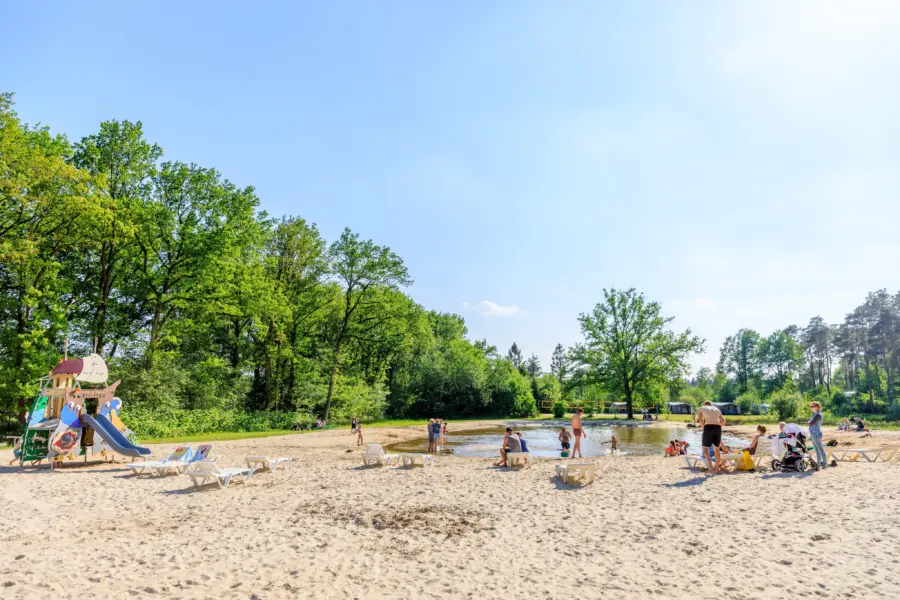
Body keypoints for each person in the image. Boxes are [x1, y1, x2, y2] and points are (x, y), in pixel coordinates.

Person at [698, 400, 726, 475]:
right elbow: (723, 421)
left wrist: (705, 429)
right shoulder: (716, 409)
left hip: (708, 427)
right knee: (716, 449)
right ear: (711, 405)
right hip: (717, 428)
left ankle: (710, 468)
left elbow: (700, 421)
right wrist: (718, 427)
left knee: (705, 449)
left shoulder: (701, 408)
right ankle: (717, 469)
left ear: (705, 405)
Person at [808, 402, 827, 469]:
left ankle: (824, 463)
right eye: (810, 406)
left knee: (820, 448)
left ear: (817, 407)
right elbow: (811, 423)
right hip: (813, 433)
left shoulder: (818, 415)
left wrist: (809, 421)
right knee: (816, 449)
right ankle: (818, 464)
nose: (811, 408)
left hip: (816, 433)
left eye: (812, 406)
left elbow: (811, 423)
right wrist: (810, 422)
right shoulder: (815, 414)